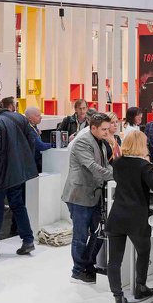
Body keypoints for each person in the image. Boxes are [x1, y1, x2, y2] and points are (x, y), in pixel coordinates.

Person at [106, 131, 153, 303]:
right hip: (136, 217)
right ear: (141, 145)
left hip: (116, 215)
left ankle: (118, 296)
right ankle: (140, 287)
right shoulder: (144, 166)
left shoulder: (117, 162)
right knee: (143, 252)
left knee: (114, 260)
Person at [0, 94, 38, 256]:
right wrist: (23, 162)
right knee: (18, 205)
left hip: (0, 174)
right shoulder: (19, 118)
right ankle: (28, 240)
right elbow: (32, 140)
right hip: (17, 172)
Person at [62, 112, 114, 283]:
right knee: (80, 236)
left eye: (108, 129)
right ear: (93, 128)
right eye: (104, 129)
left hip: (94, 195)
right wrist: (116, 176)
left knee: (98, 232)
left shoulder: (102, 142)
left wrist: (117, 173)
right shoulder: (82, 142)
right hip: (79, 196)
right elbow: (92, 166)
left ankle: (88, 266)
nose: (107, 132)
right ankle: (77, 272)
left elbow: (105, 165)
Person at [25, 107, 53, 172]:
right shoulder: (29, 130)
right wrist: (54, 144)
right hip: (32, 164)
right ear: (30, 118)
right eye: (37, 116)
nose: (41, 117)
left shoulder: (33, 127)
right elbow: (41, 146)